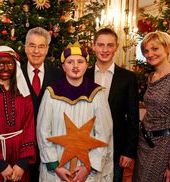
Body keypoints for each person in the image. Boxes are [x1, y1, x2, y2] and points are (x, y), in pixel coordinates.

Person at [37, 42, 113, 181]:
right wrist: (55, 166)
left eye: (80, 61)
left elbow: (104, 134)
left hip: (86, 169)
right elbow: (43, 132)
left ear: (87, 65)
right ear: (63, 66)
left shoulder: (97, 94)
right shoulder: (51, 93)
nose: (75, 66)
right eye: (70, 62)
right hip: (57, 169)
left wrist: (88, 167)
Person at [85, 27, 139, 182]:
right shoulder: (83, 75)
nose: (105, 49)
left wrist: (128, 151)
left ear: (116, 47)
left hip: (115, 150)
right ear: (93, 46)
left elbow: (133, 118)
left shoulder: (128, 78)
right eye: (101, 45)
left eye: (110, 45)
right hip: (84, 145)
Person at [0, 46, 36, 182]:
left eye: (9, 63)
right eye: (0, 64)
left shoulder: (24, 93)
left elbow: (29, 126)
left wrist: (22, 163)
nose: (5, 68)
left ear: (15, 66)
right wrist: (1, 165)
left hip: (21, 157)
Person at [133, 31, 170, 182]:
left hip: (164, 146)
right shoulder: (152, 77)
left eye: (155, 49)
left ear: (167, 48)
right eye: (146, 50)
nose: (149, 54)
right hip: (144, 143)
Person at [21, 26, 64, 181]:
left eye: (41, 46)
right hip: (22, 148)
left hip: (50, 145)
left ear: (47, 49)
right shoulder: (15, 74)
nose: (36, 51)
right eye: (32, 46)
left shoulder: (59, 75)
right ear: (25, 48)